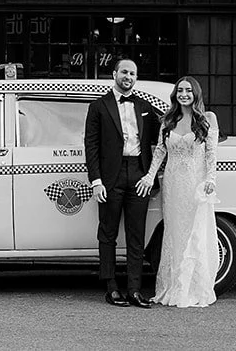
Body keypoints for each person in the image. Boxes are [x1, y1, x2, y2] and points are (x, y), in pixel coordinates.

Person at [138, 76, 219, 307]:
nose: (184, 94)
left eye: (188, 90)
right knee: (174, 233)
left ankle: (194, 287)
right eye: (180, 90)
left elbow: (211, 154)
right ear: (175, 94)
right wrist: (149, 175)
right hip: (173, 184)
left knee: (195, 232)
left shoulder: (207, 119)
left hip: (196, 183)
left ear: (196, 93)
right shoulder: (168, 120)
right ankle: (174, 287)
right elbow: (160, 152)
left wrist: (211, 179)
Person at [84, 58, 158, 307]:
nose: (128, 76)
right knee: (108, 233)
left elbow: (164, 135)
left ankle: (135, 289)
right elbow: (91, 146)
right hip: (109, 177)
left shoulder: (145, 106)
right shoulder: (98, 106)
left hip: (138, 174)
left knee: (136, 235)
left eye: (133, 73)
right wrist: (96, 180)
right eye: (124, 71)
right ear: (114, 74)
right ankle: (111, 287)